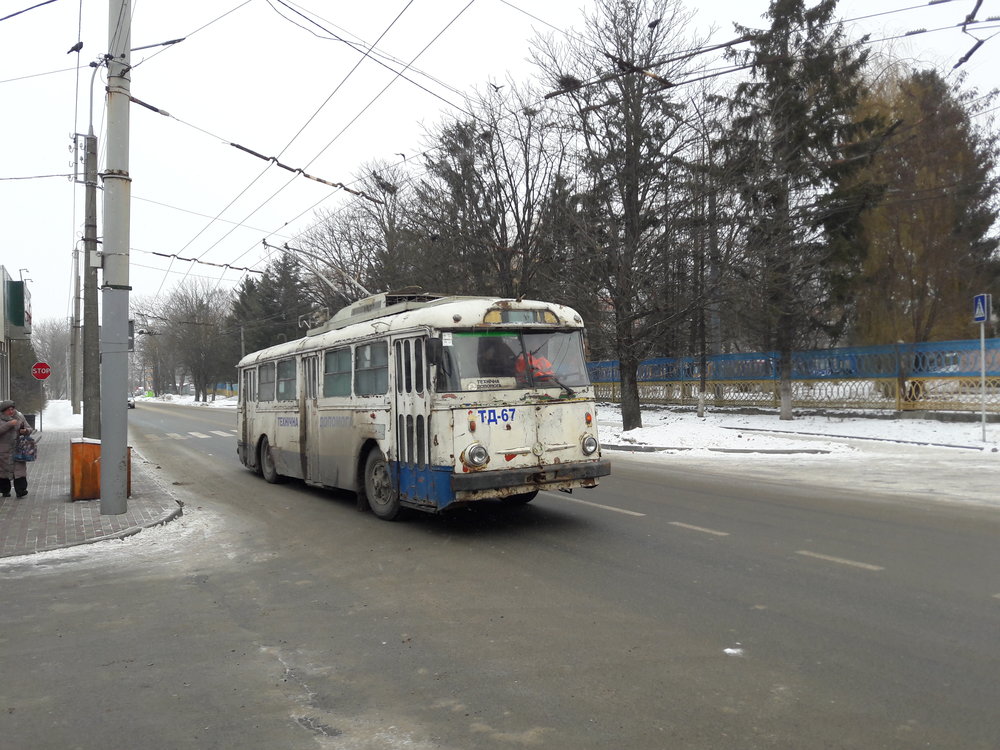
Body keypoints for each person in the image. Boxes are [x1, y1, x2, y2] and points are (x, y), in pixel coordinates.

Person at [0, 399, 32, 499]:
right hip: (3, 451)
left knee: (20, 471)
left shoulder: (19, 416)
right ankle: (5, 490)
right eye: (9, 410)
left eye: (12, 409)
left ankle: (21, 490)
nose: (11, 411)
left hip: (19, 449)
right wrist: (9, 424)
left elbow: (29, 428)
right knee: (3, 472)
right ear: (3, 410)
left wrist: (25, 431)